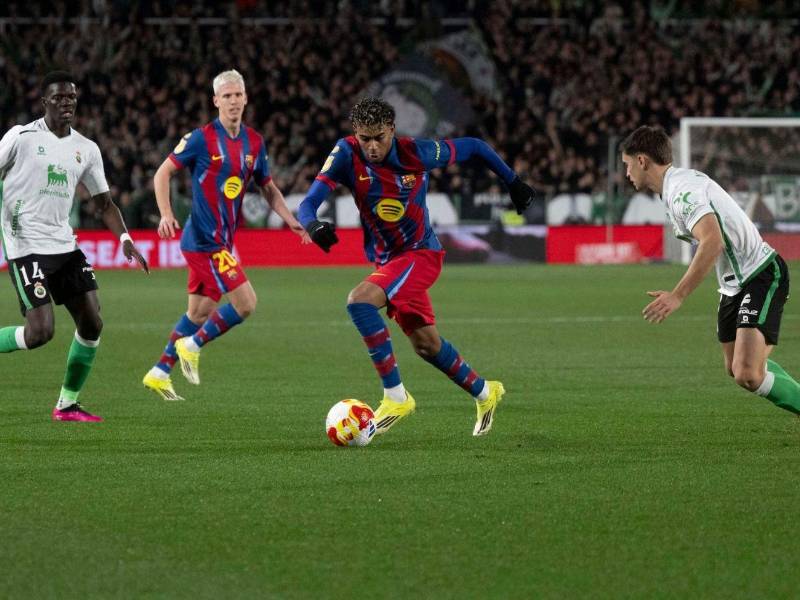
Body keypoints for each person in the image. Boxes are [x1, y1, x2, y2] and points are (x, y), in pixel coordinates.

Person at [298, 97, 538, 437]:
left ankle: (395, 397)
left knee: (360, 301)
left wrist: (513, 181)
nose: (372, 146)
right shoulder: (346, 153)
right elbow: (308, 202)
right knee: (426, 344)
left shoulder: (417, 153)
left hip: (420, 254)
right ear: (355, 134)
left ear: (392, 130)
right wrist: (313, 225)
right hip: (388, 261)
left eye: (379, 137)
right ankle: (486, 392)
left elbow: (473, 146)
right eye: (365, 139)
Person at [142, 69, 309, 400]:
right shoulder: (200, 139)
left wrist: (290, 219)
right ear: (216, 101)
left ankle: (159, 372)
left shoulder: (254, 142)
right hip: (204, 241)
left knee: (198, 313)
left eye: (238, 95)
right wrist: (166, 213)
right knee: (246, 304)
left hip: (219, 242)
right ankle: (192, 345)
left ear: (246, 99)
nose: (233, 101)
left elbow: (268, 188)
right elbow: (162, 173)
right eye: (227, 96)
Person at [0, 71, 150, 422]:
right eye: (58, 98)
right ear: (45, 102)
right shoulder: (20, 137)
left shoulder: (86, 149)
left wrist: (125, 239)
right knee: (40, 332)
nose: (66, 103)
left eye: (71, 97)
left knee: (92, 322)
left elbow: (104, 204)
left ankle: (67, 404)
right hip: (25, 244)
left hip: (64, 245)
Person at [621, 125, 799, 416]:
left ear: (642, 161)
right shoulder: (674, 188)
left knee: (748, 372)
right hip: (733, 284)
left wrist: (677, 295)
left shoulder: (682, 191)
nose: (627, 173)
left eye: (627, 165)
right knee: (735, 367)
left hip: (761, 273)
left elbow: (713, 241)